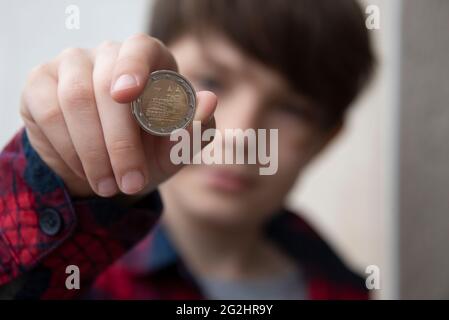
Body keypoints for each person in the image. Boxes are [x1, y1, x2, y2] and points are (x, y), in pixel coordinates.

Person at [0, 0, 375, 299]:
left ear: (325, 140)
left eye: (292, 108)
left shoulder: (345, 288)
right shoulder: (76, 276)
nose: (239, 134)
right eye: (212, 80)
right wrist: (48, 186)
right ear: (151, 76)